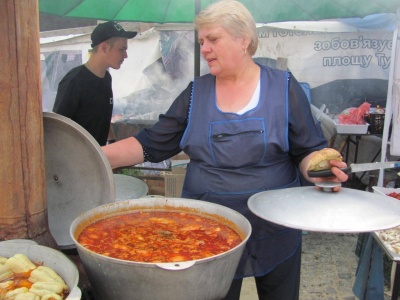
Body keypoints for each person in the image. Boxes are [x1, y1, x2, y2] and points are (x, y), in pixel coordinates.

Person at [102, 1, 349, 299]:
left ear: (243, 39)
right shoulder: (196, 92)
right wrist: (94, 157)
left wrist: (317, 171)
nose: (204, 48)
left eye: (213, 39)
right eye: (202, 41)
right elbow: (151, 144)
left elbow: (308, 149)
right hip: (208, 229)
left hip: (275, 226)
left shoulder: (282, 86)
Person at [53, 21, 136, 146]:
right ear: (104, 47)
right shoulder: (74, 81)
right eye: (122, 49)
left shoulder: (106, 78)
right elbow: (57, 128)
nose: (126, 55)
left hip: (97, 156)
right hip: (75, 159)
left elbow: (103, 117)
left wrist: (112, 143)